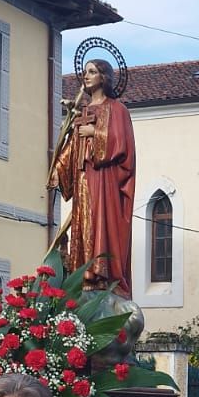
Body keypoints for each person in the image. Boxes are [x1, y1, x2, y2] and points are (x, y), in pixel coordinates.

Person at [50, 58, 136, 296]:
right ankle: (83, 273)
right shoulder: (83, 111)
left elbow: (121, 145)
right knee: (82, 223)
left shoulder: (117, 110)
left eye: (92, 72)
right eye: (85, 72)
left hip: (104, 181)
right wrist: (59, 168)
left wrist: (95, 133)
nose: (86, 76)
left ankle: (100, 273)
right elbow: (71, 146)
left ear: (104, 77)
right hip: (82, 181)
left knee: (100, 223)